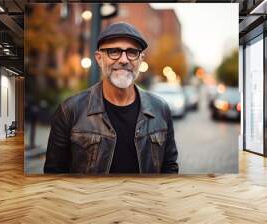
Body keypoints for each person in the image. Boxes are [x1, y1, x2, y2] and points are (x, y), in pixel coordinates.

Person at [44, 22, 178, 174]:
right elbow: (54, 173)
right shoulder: (70, 110)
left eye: (132, 52)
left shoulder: (160, 109)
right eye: (114, 51)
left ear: (141, 60)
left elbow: (170, 167)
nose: (123, 60)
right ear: (99, 58)